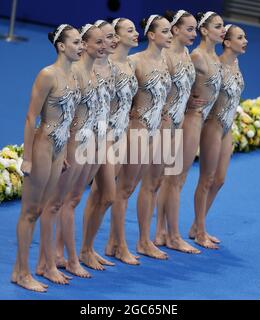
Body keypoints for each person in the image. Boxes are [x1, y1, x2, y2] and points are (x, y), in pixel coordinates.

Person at [11, 24, 82, 292]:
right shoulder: (47, 75)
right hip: (42, 147)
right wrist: (27, 157)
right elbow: (31, 117)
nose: (81, 46)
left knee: (41, 209)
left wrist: (63, 153)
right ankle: (22, 272)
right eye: (76, 42)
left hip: (59, 149)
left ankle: (21, 270)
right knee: (29, 211)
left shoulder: (74, 76)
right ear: (61, 46)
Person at [36, 24, 105, 279]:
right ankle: (52, 262)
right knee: (54, 204)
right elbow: (59, 115)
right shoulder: (73, 72)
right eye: (97, 42)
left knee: (71, 201)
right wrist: (62, 149)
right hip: (72, 144)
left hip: (88, 142)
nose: (102, 46)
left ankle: (58, 256)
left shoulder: (93, 73)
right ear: (84, 44)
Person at [155, 11, 226, 251]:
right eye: (191, 30)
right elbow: (161, 84)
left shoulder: (190, 53)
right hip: (187, 121)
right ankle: (170, 235)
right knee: (174, 179)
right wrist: (178, 105)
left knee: (174, 178)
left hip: (196, 119)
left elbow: (185, 87)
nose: (193, 34)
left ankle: (162, 232)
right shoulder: (193, 55)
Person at [108, 14, 172, 263]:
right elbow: (119, 92)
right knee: (123, 189)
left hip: (157, 129)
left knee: (147, 185)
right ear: (152, 35)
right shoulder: (134, 61)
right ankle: (120, 243)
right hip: (137, 129)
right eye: (165, 32)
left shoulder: (165, 60)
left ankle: (139, 240)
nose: (169, 36)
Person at [79, 18, 139, 270]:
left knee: (105, 196)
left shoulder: (125, 66)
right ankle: (82, 249)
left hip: (120, 133)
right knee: (101, 195)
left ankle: (89, 247)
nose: (112, 42)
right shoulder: (103, 66)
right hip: (103, 135)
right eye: (108, 37)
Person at [189, 23, 247, 249]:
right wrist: (189, 102)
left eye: (245, 37)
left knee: (220, 180)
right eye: (240, 37)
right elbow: (195, 85)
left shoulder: (237, 63)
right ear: (227, 42)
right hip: (212, 125)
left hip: (227, 127)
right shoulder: (217, 65)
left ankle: (196, 224)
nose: (245, 41)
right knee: (207, 179)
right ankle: (200, 231)